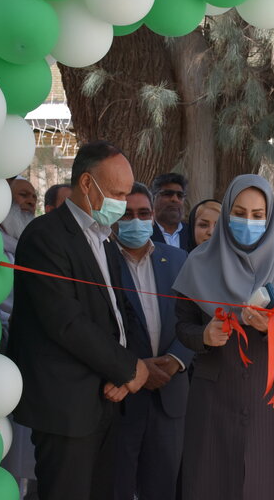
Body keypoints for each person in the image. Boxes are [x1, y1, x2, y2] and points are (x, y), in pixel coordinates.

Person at [7, 141, 151, 500]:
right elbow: (66, 322)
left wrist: (125, 372)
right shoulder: (45, 237)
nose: (122, 202)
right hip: (66, 407)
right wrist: (130, 368)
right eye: (117, 193)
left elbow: (120, 312)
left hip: (107, 398)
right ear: (87, 184)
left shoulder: (104, 240)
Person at [173, 175, 274, 500]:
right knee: (211, 482)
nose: (248, 222)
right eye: (239, 213)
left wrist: (272, 327)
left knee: (270, 484)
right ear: (226, 213)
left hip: (272, 399)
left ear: (269, 218)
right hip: (214, 396)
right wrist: (205, 335)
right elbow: (182, 326)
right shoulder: (199, 261)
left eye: (257, 215)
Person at [113, 182, 192, 500]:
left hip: (169, 398)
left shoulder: (179, 259)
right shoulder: (101, 262)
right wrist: (135, 368)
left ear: (153, 216)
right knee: (116, 487)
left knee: (162, 489)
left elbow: (196, 318)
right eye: (127, 214)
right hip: (120, 397)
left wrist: (174, 361)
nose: (136, 221)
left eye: (143, 213)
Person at [0, 176, 38, 499]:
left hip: (27, 355)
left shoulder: (32, 246)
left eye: (33, 197)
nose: (30, 202)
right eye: (22, 195)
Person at [150, 173, 191, 251]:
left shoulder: (192, 233)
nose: (175, 199)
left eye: (180, 195)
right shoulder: (145, 233)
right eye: (167, 194)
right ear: (153, 198)